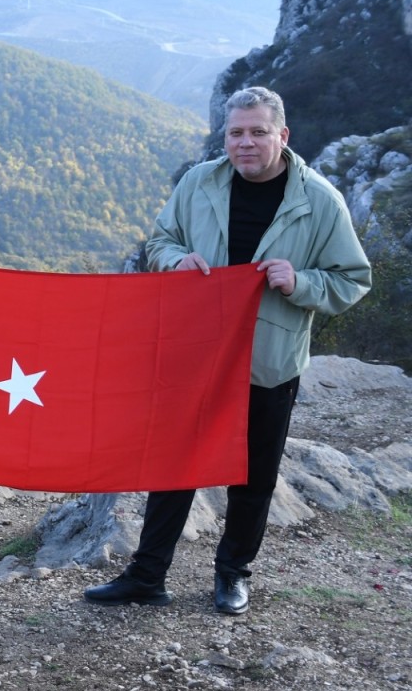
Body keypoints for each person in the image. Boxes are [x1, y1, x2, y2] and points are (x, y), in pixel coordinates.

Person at [84, 86, 371, 616]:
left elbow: (353, 279)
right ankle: (147, 575)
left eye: (258, 132)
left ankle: (233, 574)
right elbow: (159, 241)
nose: (245, 143)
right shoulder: (200, 182)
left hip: (268, 362)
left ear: (282, 136)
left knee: (252, 476)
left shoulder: (319, 201)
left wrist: (301, 281)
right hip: (195, 357)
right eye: (235, 132)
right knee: (174, 468)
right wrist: (176, 261)